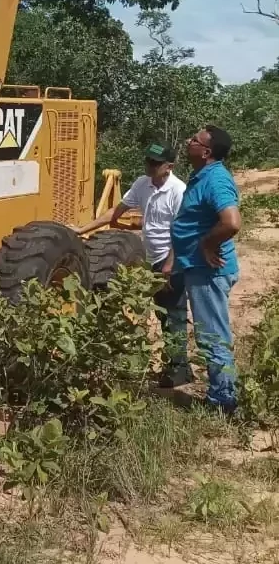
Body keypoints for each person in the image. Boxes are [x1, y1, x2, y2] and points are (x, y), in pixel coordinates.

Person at [77, 143, 189, 385]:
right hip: (150, 258)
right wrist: (81, 230)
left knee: (173, 314)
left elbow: (183, 232)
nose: (149, 166)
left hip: (171, 260)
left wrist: (170, 265)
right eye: (148, 161)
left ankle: (179, 369)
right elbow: (115, 213)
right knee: (140, 309)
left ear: (169, 167)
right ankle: (132, 360)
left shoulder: (178, 191)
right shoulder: (142, 183)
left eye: (155, 163)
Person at [169, 125, 242, 413]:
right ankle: (222, 394)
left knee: (213, 335)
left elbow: (232, 222)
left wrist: (208, 246)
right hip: (197, 266)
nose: (188, 141)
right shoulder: (202, 177)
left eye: (194, 140)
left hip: (208, 270)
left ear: (207, 151)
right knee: (210, 333)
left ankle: (223, 402)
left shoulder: (216, 180)